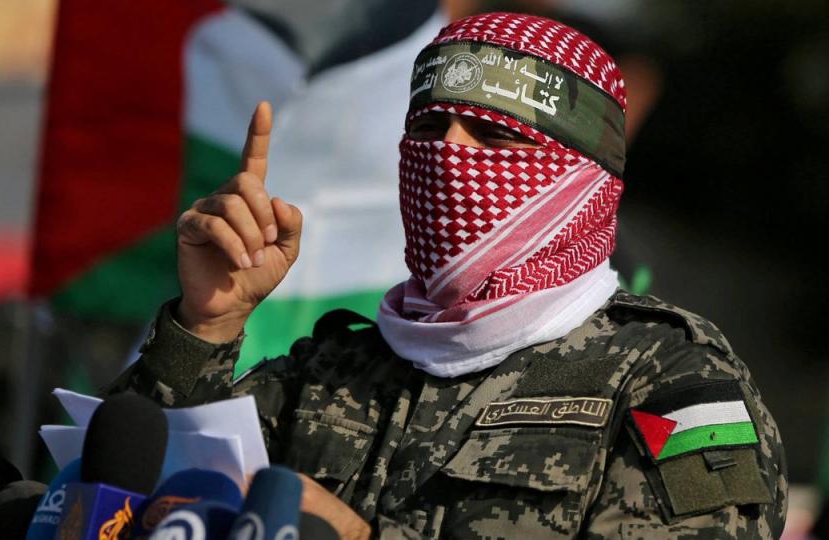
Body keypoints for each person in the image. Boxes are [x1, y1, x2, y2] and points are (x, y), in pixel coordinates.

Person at [107, 12, 787, 539]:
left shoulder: (668, 382)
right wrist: (209, 322)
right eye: (430, 127)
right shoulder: (335, 369)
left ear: (580, 178)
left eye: (494, 137)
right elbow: (138, 498)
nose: (448, 154)